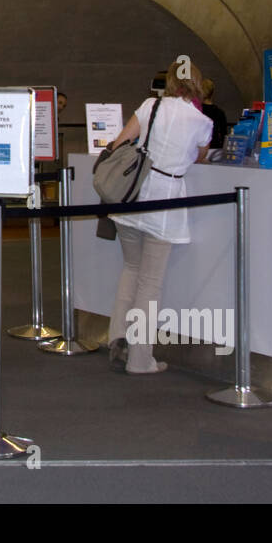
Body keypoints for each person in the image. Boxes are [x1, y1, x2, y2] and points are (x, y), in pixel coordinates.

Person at [104, 58, 212, 374]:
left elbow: (119, 142)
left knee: (130, 270)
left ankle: (117, 339)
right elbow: (201, 157)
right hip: (164, 204)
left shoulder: (150, 105)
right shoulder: (200, 121)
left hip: (132, 197)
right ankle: (140, 360)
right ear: (196, 84)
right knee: (150, 285)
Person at [200, 77, 228, 149]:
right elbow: (224, 135)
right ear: (212, 93)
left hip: (200, 148)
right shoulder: (219, 113)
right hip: (215, 148)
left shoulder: (197, 111)